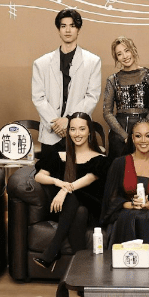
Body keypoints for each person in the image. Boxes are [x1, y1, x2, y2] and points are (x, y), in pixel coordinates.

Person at [31, 112, 107, 270]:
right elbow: (39, 176)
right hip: (64, 209)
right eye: (73, 129)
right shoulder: (58, 156)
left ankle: (52, 251)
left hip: (91, 209)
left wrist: (64, 191)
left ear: (89, 131)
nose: (77, 134)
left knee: (79, 205)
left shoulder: (100, 158)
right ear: (68, 132)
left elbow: (88, 179)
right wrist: (58, 182)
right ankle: (83, 269)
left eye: (82, 129)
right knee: (78, 210)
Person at [32, 9, 102, 152]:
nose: (68, 30)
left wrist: (69, 120)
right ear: (58, 30)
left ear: (78, 29)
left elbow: (92, 97)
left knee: (79, 167)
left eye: (72, 26)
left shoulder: (93, 61)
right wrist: (55, 124)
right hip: (51, 133)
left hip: (79, 132)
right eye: (63, 26)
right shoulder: (41, 63)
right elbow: (38, 98)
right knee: (49, 167)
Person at [101, 120, 149, 249]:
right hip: (126, 215)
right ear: (132, 138)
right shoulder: (119, 163)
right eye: (138, 136)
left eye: (148, 136)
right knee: (132, 216)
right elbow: (110, 199)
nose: (143, 140)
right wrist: (130, 205)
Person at [102, 36, 149, 157]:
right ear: (116, 58)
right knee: (120, 167)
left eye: (127, 50)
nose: (125, 56)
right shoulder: (112, 79)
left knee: (147, 166)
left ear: (133, 49)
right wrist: (125, 136)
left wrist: (142, 133)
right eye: (119, 54)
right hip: (119, 131)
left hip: (145, 128)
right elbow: (107, 112)